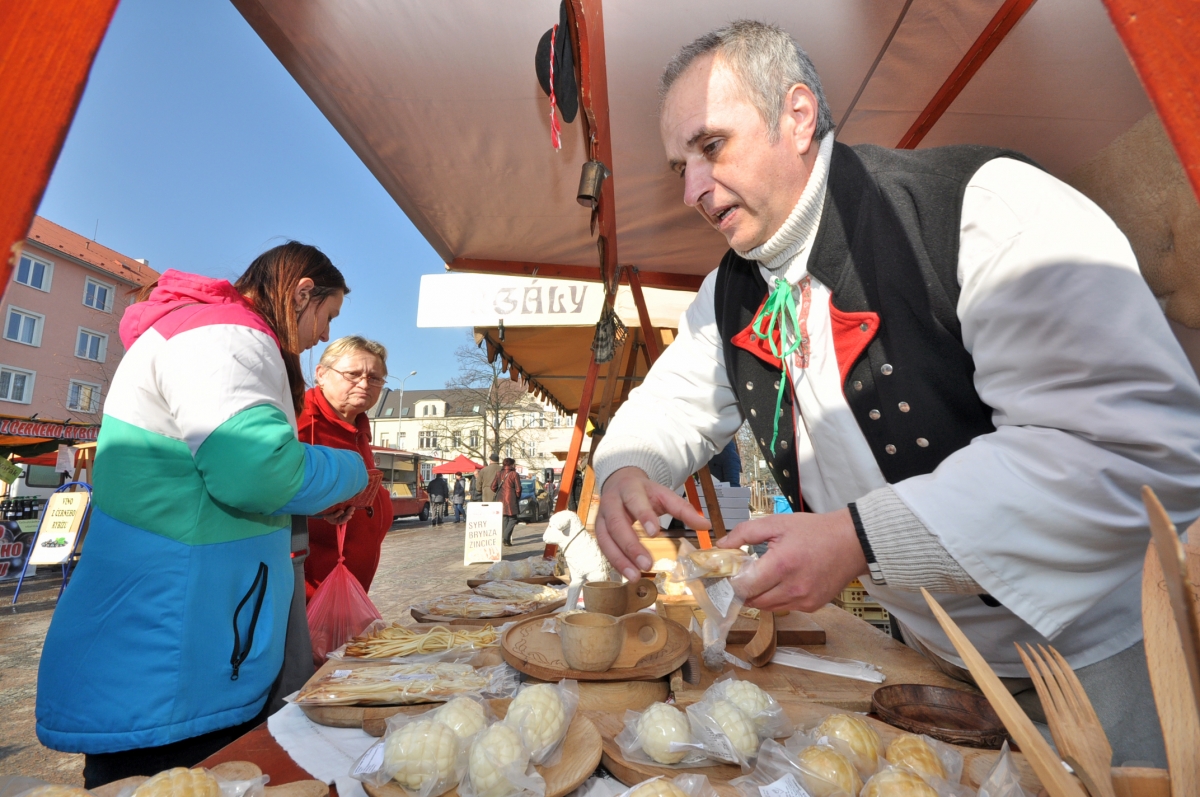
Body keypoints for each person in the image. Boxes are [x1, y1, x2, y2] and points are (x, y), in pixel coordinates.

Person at [591, 21, 1200, 766]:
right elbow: (668, 405)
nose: (689, 189)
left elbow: (1129, 447)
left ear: (799, 116)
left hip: (1108, 653)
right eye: (679, 164)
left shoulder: (979, 209)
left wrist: (861, 537)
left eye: (710, 146)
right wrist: (624, 469)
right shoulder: (730, 293)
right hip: (934, 662)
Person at [37, 243, 369, 784]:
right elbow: (256, 471)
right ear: (302, 292)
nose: (324, 336)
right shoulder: (225, 335)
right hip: (175, 649)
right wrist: (351, 470)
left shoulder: (211, 331)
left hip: (180, 640)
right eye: (327, 316)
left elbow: (212, 477)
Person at [300, 336, 395, 600]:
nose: (364, 384)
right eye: (353, 374)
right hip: (306, 597)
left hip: (348, 595)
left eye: (375, 378)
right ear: (321, 374)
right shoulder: (299, 422)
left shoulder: (358, 427)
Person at [492, 458, 523, 546]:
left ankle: (506, 540)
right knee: (513, 518)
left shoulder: (499, 473)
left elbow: (493, 487)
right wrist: (517, 496)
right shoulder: (514, 474)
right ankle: (505, 537)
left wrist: (500, 492)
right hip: (511, 498)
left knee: (505, 518)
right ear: (512, 464)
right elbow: (518, 489)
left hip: (500, 498)